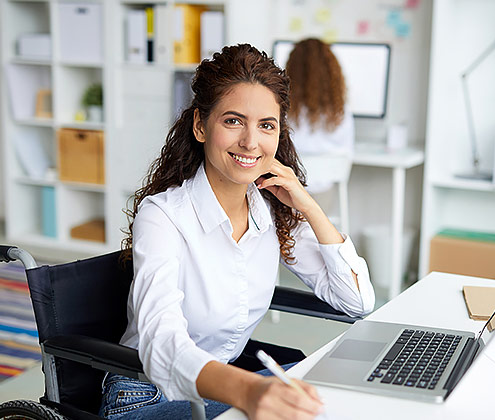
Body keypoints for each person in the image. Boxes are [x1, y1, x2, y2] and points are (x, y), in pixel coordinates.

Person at [99, 44, 375, 420]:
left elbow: (356, 302)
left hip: (222, 387)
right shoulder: (163, 216)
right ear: (200, 125)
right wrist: (248, 389)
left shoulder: (271, 210)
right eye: (233, 121)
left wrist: (309, 207)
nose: (250, 142)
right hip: (146, 394)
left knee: (329, 401)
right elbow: (161, 343)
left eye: (266, 125)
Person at [285, 38, 355, 194]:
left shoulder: (284, 110)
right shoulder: (341, 112)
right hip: (325, 191)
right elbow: (348, 152)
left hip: (290, 189)